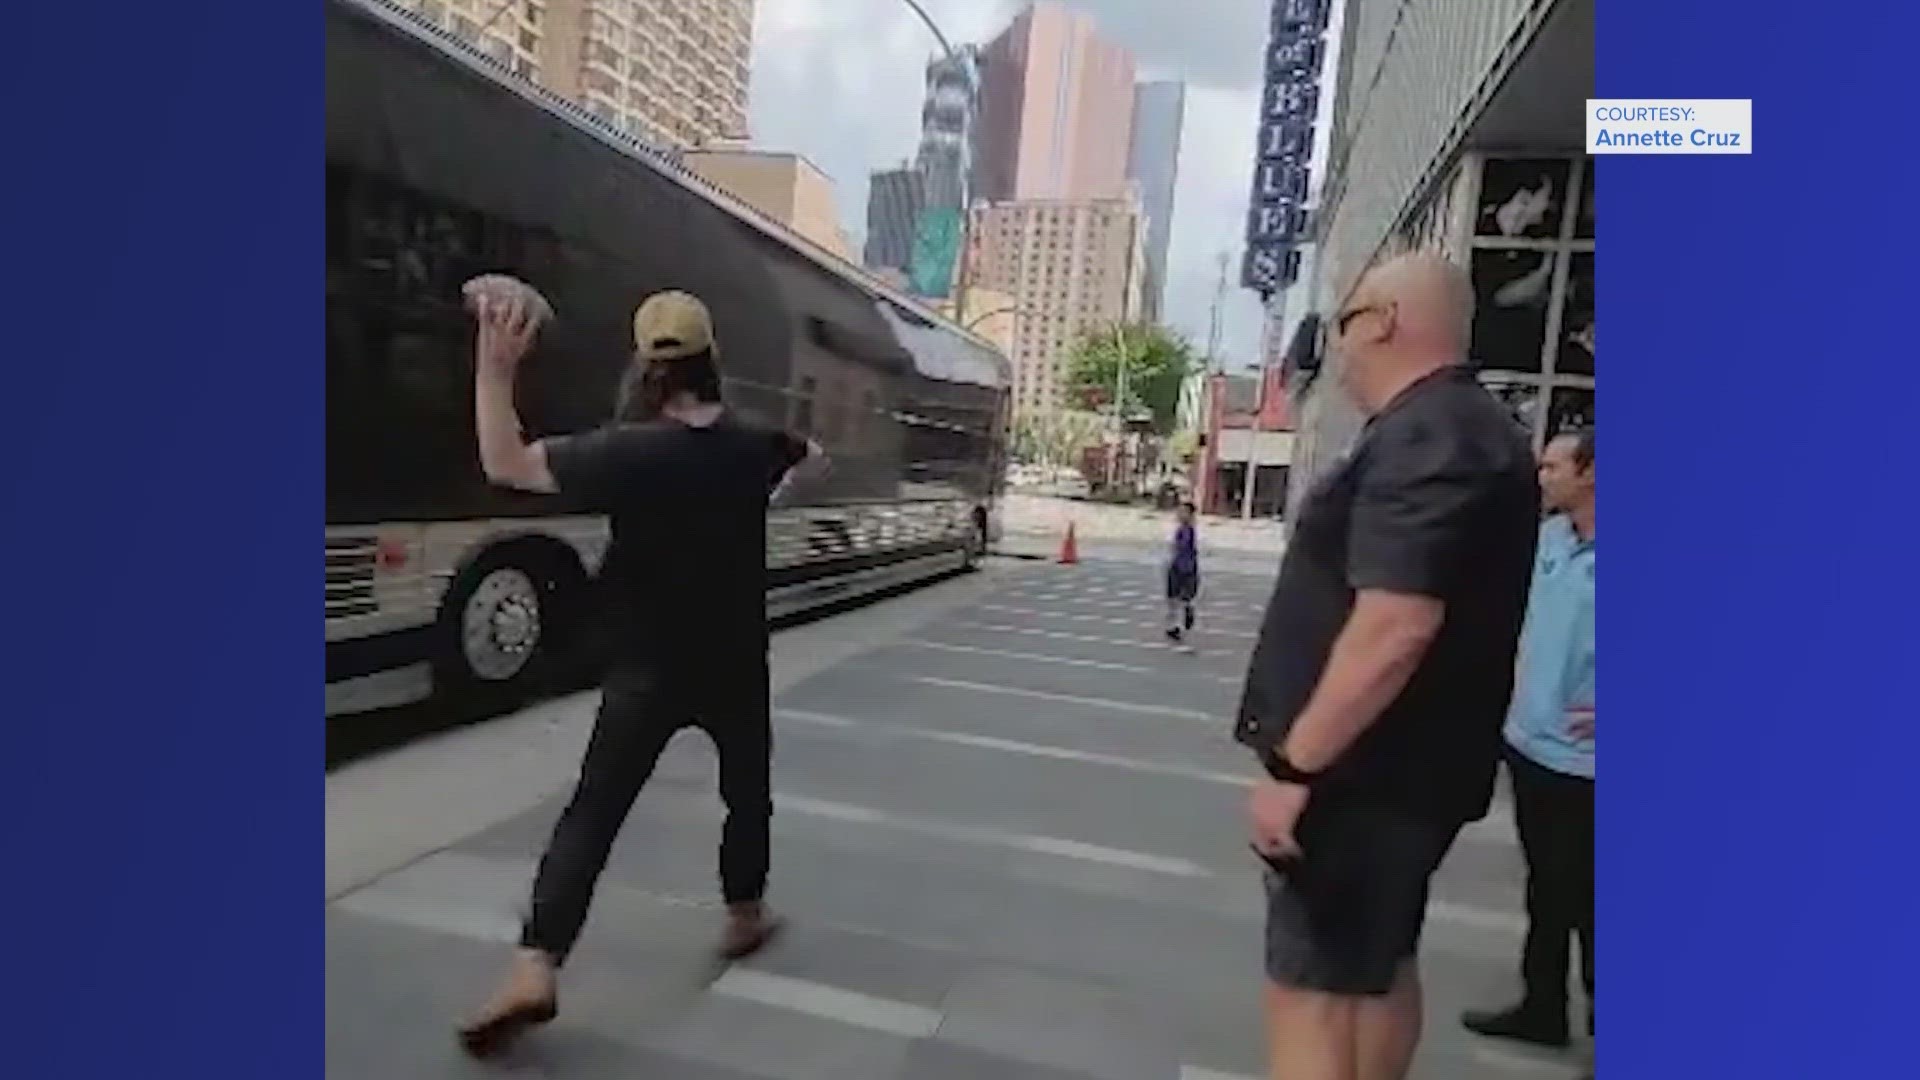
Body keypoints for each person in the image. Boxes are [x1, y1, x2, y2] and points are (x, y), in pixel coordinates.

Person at [456, 285, 826, 1057]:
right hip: (733, 664)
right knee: (747, 792)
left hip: (645, 668)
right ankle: (744, 914)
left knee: (592, 813)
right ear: (710, 362)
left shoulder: (623, 451)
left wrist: (496, 369)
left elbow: (505, 461)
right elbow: (807, 456)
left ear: (644, 368)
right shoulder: (753, 444)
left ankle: (536, 964)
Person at [1234, 252, 1540, 1080]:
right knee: (1373, 971)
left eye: (1342, 323)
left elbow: (1395, 624)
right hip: (1407, 776)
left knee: (1313, 991)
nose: (1338, 352)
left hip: (1363, 781)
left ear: (1383, 323)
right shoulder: (1468, 431)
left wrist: (1298, 763)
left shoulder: (1426, 437)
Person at [1462, 428, 1596, 1051]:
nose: (1542, 478)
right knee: (1547, 887)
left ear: (1591, 475)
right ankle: (1542, 1007)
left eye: (1553, 468)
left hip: (1591, 763)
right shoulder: (1549, 539)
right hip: (1532, 745)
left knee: (1594, 902)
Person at [1164, 501, 1200, 645]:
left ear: (1190, 515)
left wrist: (1175, 548)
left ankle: (1175, 626)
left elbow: (1182, 547)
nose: (1179, 514)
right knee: (1181, 598)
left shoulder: (1186, 529)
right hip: (1187, 566)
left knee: (1173, 598)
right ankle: (1181, 618)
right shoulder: (1189, 529)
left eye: (1183, 512)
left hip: (1181, 567)